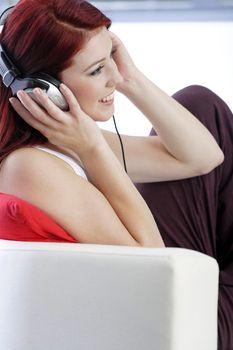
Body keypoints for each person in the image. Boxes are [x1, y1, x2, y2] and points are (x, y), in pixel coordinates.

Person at [0, 1, 232, 349]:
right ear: (41, 88)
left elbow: (204, 157)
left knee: (200, 103)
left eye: (112, 53)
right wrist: (93, 150)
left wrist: (131, 80)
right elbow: (151, 267)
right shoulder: (31, 167)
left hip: (161, 297)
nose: (114, 75)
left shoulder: (60, 144)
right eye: (96, 70)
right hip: (152, 318)